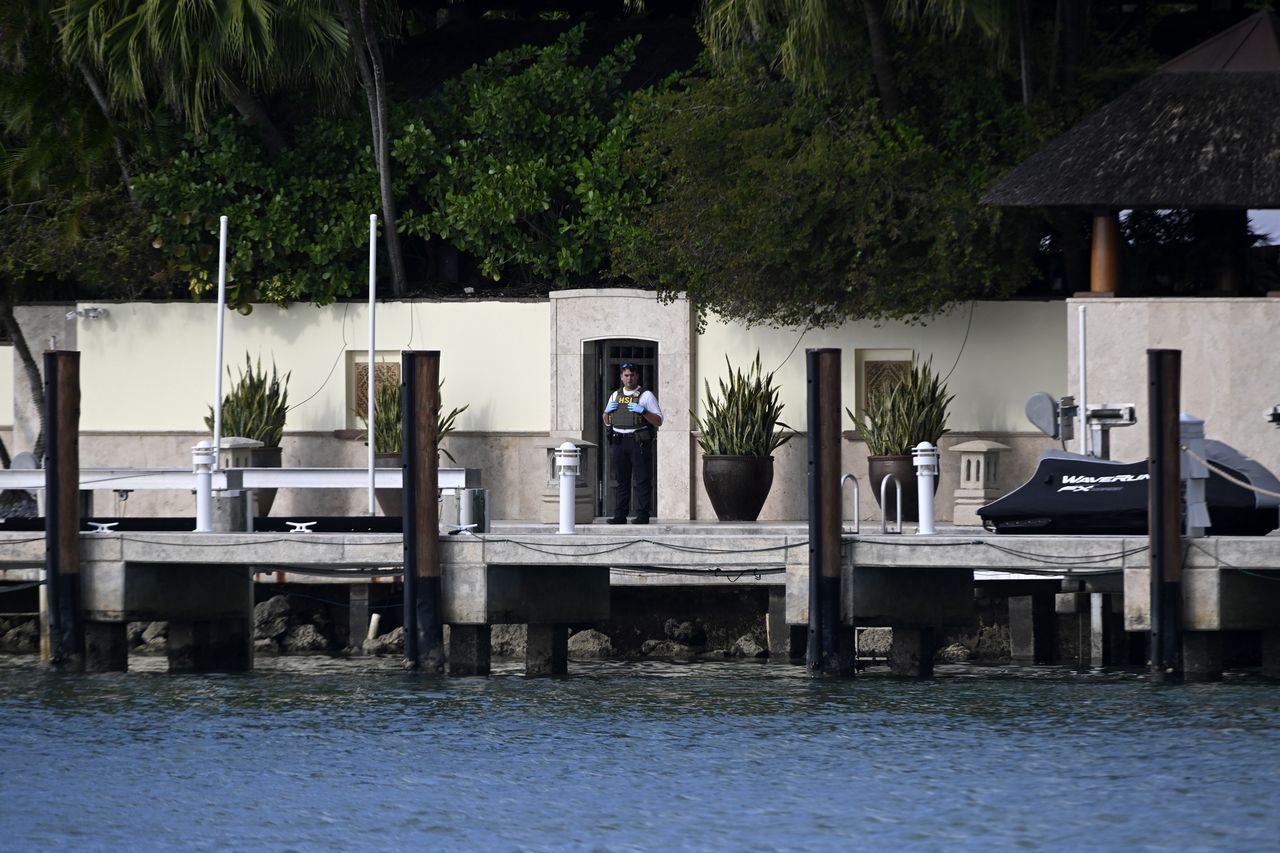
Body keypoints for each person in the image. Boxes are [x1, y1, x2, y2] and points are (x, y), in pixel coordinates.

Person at [602, 362, 663, 524]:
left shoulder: (646, 395)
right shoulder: (615, 395)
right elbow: (607, 421)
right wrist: (606, 412)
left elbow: (658, 421)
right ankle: (620, 516)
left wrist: (643, 411)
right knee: (622, 480)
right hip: (619, 440)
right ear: (621, 377)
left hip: (638, 441)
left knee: (642, 479)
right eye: (626, 375)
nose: (629, 378)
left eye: (632, 375)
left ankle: (643, 515)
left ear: (637, 376)